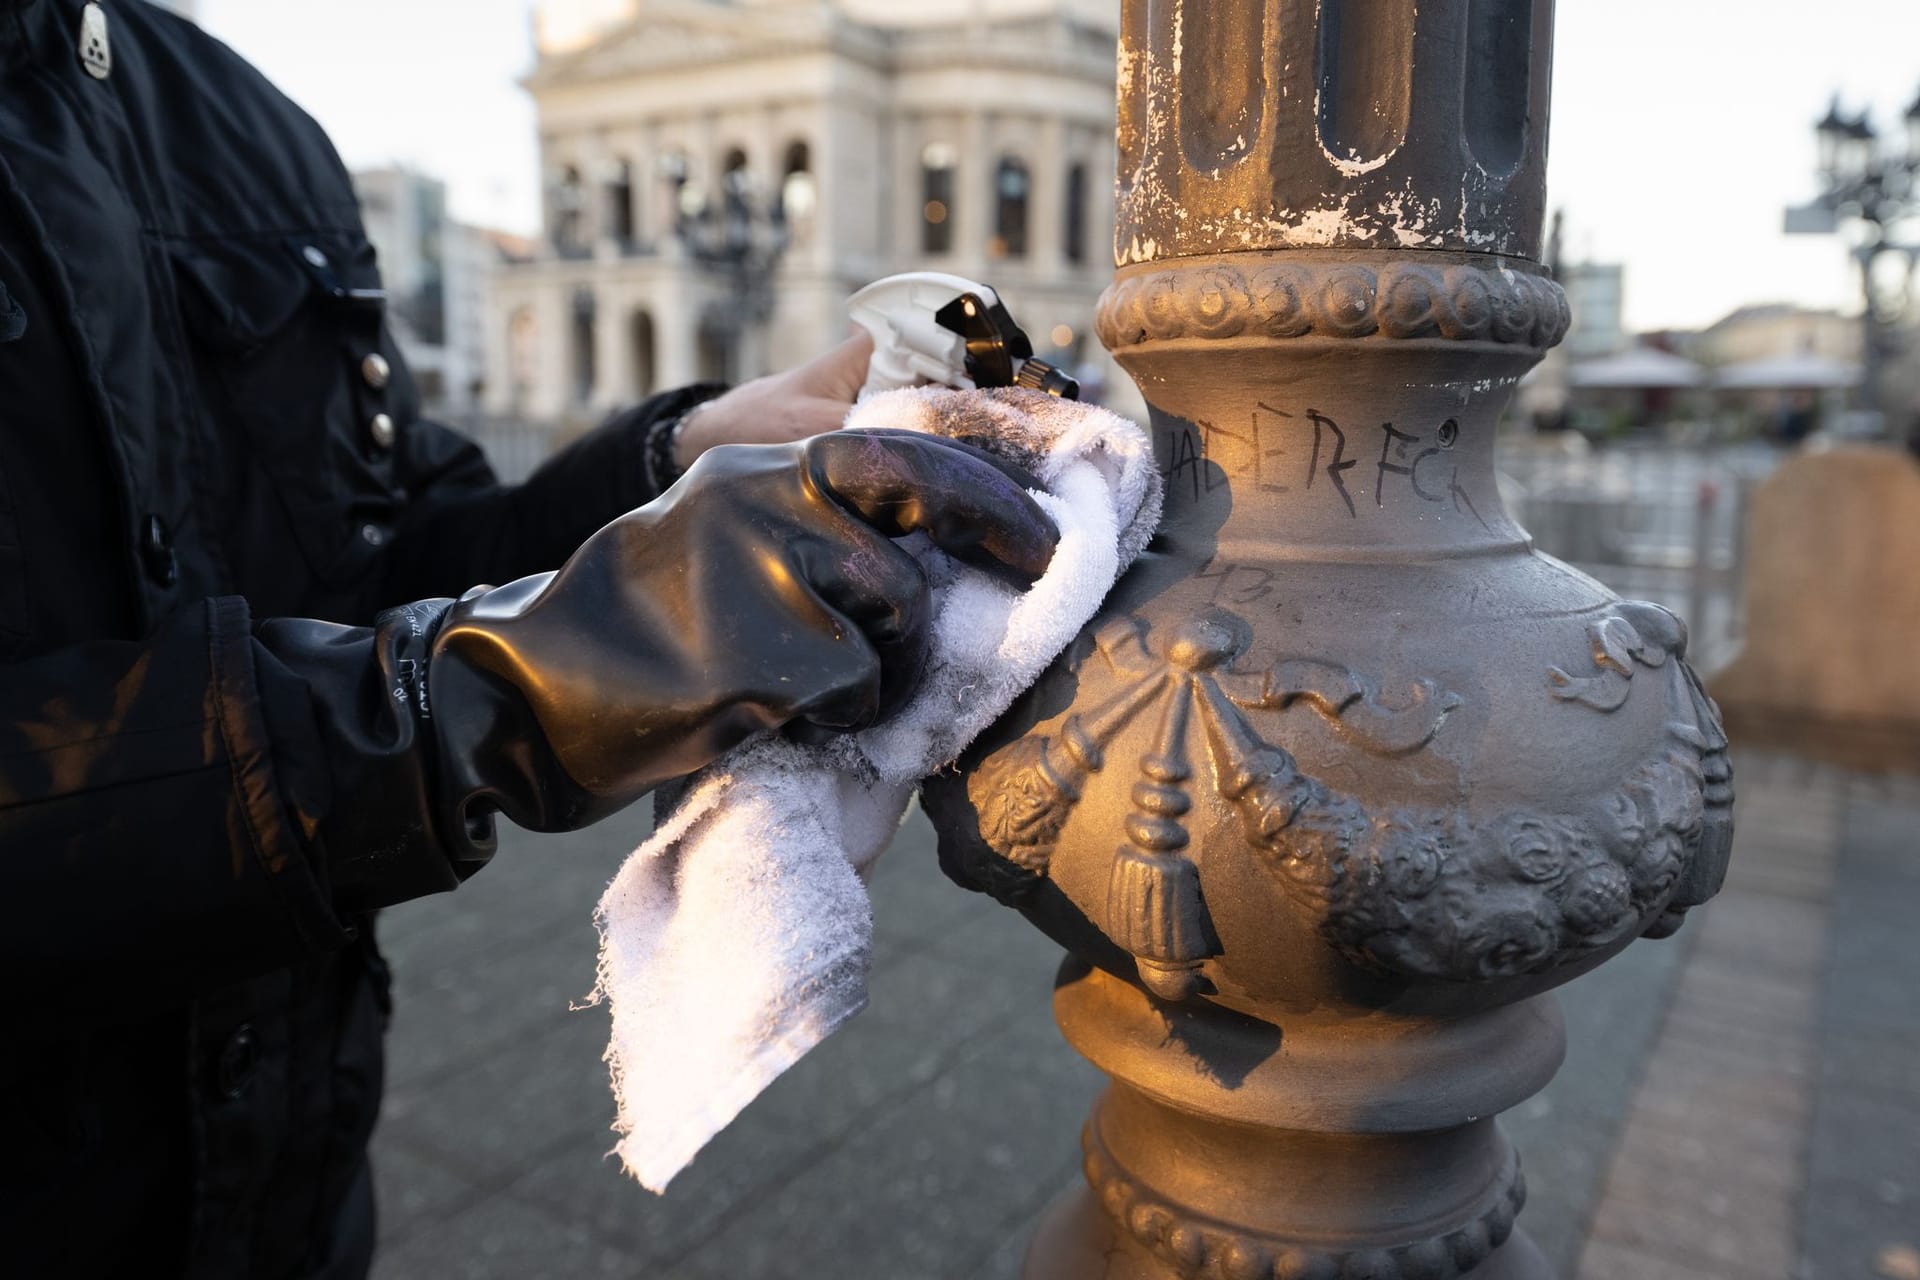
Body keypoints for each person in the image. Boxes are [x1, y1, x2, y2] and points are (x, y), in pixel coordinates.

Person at [0, 2, 1057, 1275]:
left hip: (295, 1174)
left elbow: (383, 558)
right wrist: (507, 690)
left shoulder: (233, 122)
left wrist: (672, 462)